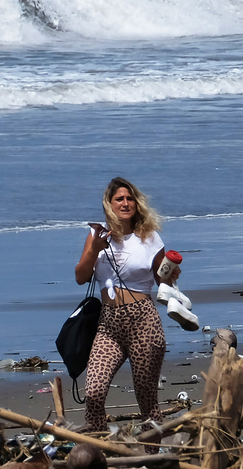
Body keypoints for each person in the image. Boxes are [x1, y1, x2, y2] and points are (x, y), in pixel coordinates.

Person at [74, 177, 197, 440]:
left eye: (130, 198)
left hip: (143, 320)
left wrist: (172, 273)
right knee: (93, 393)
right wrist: (94, 250)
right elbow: (80, 276)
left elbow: (162, 279)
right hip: (108, 324)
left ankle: (152, 460)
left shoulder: (149, 238)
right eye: (120, 199)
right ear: (109, 204)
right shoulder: (96, 235)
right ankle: (101, 455)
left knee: (147, 400)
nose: (126, 203)